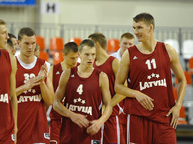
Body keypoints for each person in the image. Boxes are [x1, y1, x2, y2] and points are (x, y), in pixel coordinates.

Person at [115, 13, 187, 144]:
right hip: (138, 117)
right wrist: (136, 94)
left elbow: (182, 80)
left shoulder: (167, 50)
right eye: (134, 28)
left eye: (139, 28)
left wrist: (178, 106)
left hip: (164, 117)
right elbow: (118, 86)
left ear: (150, 27)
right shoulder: (129, 54)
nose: (136, 32)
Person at [53, 39, 112, 143]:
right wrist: (71, 115)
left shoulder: (101, 76)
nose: (90, 58)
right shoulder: (67, 74)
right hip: (69, 133)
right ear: (79, 55)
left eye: (93, 54)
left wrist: (99, 122)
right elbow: (56, 103)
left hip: (91, 133)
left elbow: (108, 105)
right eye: (87, 54)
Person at [15, 27, 54, 144]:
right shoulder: (11, 63)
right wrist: (25, 87)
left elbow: (50, 101)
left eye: (33, 43)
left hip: (39, 129)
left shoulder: (45, 66)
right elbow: (5, 96)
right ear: (18, 43)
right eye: (26, 43)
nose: (30, 47)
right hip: (17, 126)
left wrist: (41, 82)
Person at [89, 32, 125, 144]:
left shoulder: (114, 62)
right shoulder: (91, 64)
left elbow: (123, 91)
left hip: (112, 115)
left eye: (90, 43)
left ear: (97, 44)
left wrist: (107, 106)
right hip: (95, 116)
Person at [49, 41, 79, 144]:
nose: (75, 61)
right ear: (64, 55)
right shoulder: (53, 70)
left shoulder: (81, 69)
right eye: (72, 58)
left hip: (75, 118)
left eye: (76, 57)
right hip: (57, 118)